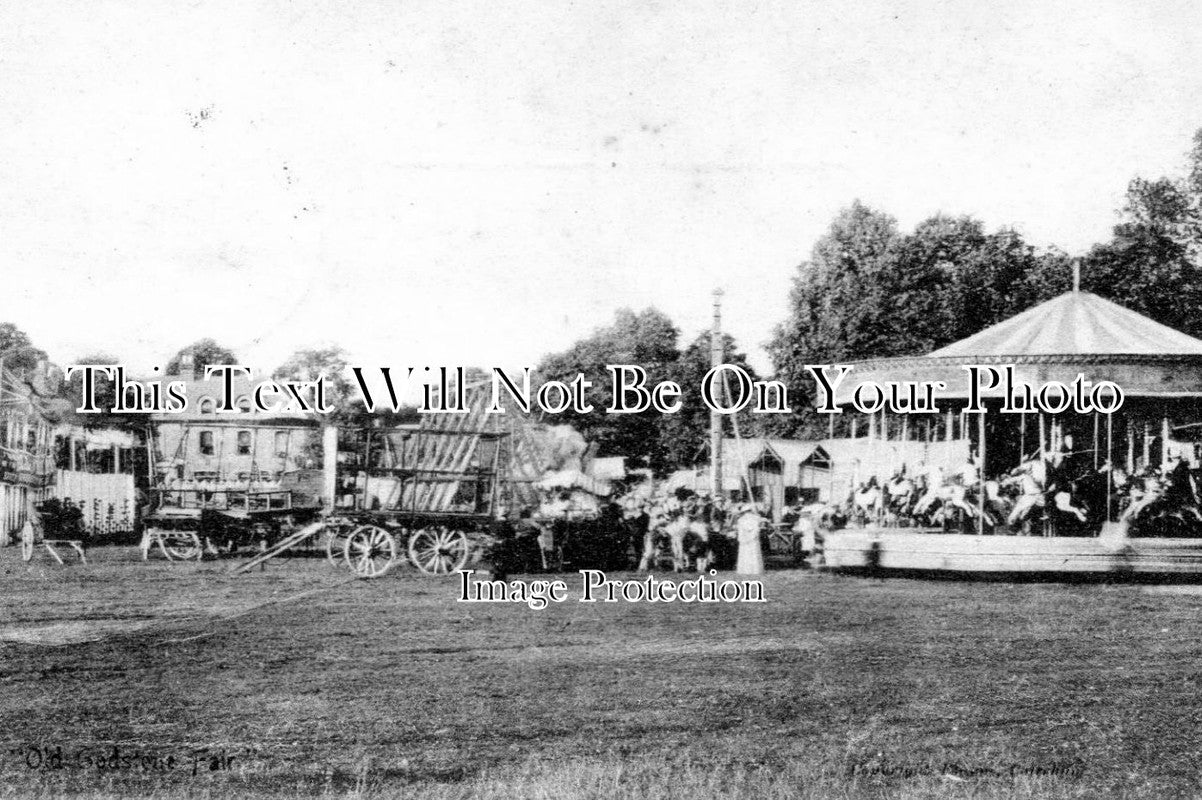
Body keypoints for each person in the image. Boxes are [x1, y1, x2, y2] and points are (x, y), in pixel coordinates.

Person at [734, 504, 765, 575]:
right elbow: (757, 527)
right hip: (750, 539)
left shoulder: (742, 520)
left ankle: (747, 570)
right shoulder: (755, 518)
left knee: (747, 554)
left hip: (747, 539)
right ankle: (753, 570)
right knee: (752, 553)